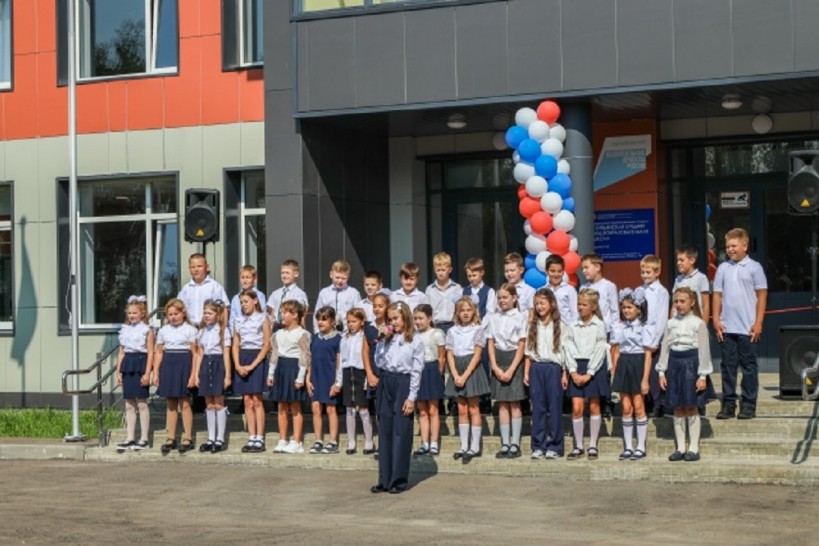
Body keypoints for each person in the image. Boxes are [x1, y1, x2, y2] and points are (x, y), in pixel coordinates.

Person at [712, 228, 768, 420]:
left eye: (734, 246)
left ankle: (748, 404)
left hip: (748, 327)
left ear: (745, 245)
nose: (730, 249)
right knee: (728, 366)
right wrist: (716, 320)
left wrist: (758, 323)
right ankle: (728, 404)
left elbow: (762, 295)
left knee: (749, 367)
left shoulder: (754, 267)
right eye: (727, 246)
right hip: (727, 328)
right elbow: (717, 295)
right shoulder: (722, 268)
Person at [370, 301, 424, 494]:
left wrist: (411, 397)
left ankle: (398, 480)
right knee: (385, 430)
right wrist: (381, 342)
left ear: (405, 318)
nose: (392, 322)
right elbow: (378, 362)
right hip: (386, 381)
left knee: (401, 431)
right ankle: (384, 479)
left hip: (403, 382)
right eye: (390, 319)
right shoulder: (388, 339)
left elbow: (417, 370)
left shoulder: (415, 340)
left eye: (395, 319)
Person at [657, 287, 713, 462]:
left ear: (692, 302)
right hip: (674, 365)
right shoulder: (670, 323)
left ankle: (693, 448)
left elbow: (704, 350)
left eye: (682, 301)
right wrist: (661, 371)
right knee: (677, 406)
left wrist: (702, 375)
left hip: (691, 365)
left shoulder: (698, 323)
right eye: (676, 301)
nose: (679, 305)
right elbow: (665, 348)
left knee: (691, 405)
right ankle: (680, 447)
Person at [524, 288, 571, 460]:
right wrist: (527, 372)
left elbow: (565, 352)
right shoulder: (532, 325)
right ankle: (538, 445)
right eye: (536, 304)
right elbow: (528, 352)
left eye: (542, 303)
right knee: (538, 408)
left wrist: (565, 373)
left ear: (552, 304)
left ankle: (555, 445)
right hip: (537, 368)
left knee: (554, 408)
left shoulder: (561, 326)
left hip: (554, 368)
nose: (539, 307)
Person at [565, 289, 610, 461]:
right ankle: (578, 446)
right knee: (577, 407)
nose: (580, 308)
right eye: (579, 304)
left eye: (584, 305)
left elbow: (600, 348)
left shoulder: (599, 325)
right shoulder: (572, 325)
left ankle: (592, 445)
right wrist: (573, 371)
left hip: (594, 366)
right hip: (577, 365)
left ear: (593, 306)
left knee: (594, 406)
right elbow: (568, 347)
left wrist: (590, 372)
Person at [445, 297, 491, 463]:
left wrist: (465, 376)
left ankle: (475, 446)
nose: (465, 313)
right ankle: (463, 445)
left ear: (474, 312)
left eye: (468, 310)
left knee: (473, 408)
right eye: (462, 310)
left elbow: (477, 355)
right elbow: (449, 353)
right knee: (462, 409)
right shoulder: (452, 331)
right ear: (457, 313)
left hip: (471, 368)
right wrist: (455, 374)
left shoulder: (477, 330)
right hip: (457, 368)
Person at [610, 287, 653, 461]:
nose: (626, 311)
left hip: (638, 363)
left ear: (639, 309)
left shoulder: (644, 327)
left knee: (638, 405)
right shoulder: (619, 327)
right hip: (624, 364)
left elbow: (648, 354)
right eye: (624, 307)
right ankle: (628, 447)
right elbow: (616, 351)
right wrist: (614, 371)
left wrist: (645, 379)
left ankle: (641, 446)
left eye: (630, 307)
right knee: (626, 407)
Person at [485, 284, 527, 459]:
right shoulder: (494, 318)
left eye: (505, 297)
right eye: (500, 298)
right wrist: (494, 366)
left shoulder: (520, 317)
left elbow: (522, 344)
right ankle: (505, 443)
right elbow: (490, 342)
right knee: (502, 403)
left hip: (514, 359)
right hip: (498, 358)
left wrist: (512, 369)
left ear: (514, 298)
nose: (502, 301)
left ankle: (515, 443)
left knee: (514, 402)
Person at [153, 298, 198, 454]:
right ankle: (171, 437)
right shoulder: (163, 331)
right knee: (171, 402)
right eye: (170, 314)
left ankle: (187, 437)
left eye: (175, 314)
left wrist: (193, 375)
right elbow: (159, 352)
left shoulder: (190, 330)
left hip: (184, 364)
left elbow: (195, 353)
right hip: (168, 365)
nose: (173, 317)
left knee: (184, 402)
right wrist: (156, 371)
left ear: (183, 313)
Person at [268, 300, 311, 454]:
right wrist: (271, 373)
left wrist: (300, 378)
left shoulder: (302, 334)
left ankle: (297, 441)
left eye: (285, 312)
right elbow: (274, 355)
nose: (282, 315)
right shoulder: (278, 334)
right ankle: (283, 439)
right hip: (281, 369)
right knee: (281, 406)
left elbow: (304, 357)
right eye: (282, 312)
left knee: (295, 406)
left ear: (295, 315)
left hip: (294, 369)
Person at [231, 289, 271, 453]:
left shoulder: (263, 318)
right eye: (241, 302)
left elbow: (267, 344)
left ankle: (260, 438)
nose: (243, 305)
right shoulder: (238, 320)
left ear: (255, 301)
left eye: (246, 301)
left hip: (257, 358)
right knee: (247, 400)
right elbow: (235, 344)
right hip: (243, 357)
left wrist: (253, 365)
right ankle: (251, 436)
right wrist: (237, 364)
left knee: (257, 400)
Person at [115, 295, 154, 451]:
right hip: (128, 364)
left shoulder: (147, 330)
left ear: (142, 313)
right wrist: (118, 372)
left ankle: (144, 438)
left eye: (134, 313)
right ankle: (130, 437)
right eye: (129, 313)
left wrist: (147, 373)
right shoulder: (125, 330)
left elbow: (150, 352)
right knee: (129, 403)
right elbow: (121, 352)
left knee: (142, 403)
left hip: (140, 362)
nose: (131, 316)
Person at [193, 298, 232, 453]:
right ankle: (211, 437)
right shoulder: (202, 332)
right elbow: (199, 354)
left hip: (218, 363)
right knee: (209, 403)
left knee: (218, 401)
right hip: (206, 364)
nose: (206, 315)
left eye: (210, 313)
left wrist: (227, 375)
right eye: (205, 313)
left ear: (217, 314)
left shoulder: (223, 331)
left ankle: (220, 438)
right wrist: (196, 374)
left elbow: (226, 355)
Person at [306, 306, 342, 454]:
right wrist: (308, 378)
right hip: (316, 377)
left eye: (324, 319)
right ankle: (318, 440)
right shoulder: (315, 338)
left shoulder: (338, 339)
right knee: (315, 408)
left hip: (330, 378)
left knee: (330, 409)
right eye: (318, 319)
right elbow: (311, 359)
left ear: (332, 321)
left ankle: (333, 441)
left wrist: (337, 382)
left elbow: (339, 362)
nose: (320, 322)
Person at [338, 308, 375, 455]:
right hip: (348, 373)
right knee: (350, 409)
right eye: (348, 322)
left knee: (363, 409)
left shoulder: (364, 337)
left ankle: (369, 442)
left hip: (360, 373)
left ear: (362, 321)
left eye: (354, 321)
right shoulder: (344, 338)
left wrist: (367, 379)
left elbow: (367, 358)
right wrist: (339, 381)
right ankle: (351, 442)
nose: (351, 324)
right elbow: (341, 361)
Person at [412, 304, 446, 457]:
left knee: (433, 410)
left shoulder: (437, 334)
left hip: (432, 369)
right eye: (415, 319)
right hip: (418, 370)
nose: (418, 322)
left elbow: (441, 357)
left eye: (421, 318)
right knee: (422, 411)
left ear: (429, 318)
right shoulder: (414, 335)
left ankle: (434, 442)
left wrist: (439, 374)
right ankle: (424, 442)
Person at [640, 255, 670, 417]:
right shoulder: (640, 290)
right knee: (643, 370)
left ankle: (659, 403)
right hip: (642, 335)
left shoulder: (661, 292)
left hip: (654, 336)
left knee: (654, 371)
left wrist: (656, 339)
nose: (645, 275)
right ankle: (647, 401)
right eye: (643, 272)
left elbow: (661, 317)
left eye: (648, 272)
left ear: (657, 272)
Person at [177, 253, 229, 326]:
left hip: (209, 327)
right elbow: (178, 308)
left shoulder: (215, 287)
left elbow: (223, 309)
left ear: (206, 267)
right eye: (193, 267)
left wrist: (223, 328)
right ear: (189, 269)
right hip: (190, 327)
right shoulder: (185, 289)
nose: (196, 269)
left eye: (199, 266)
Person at [314, 260, 362, 332]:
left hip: (347, 333)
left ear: (348, 277)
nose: (340, 281)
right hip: (327, 333)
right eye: (337, 277)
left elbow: (359, 315)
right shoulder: (324, 293)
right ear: (331, 275)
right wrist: (317, 332)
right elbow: (317, 314)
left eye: (343, 278)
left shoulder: (354, 293)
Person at [580, 253, 619, 336]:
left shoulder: (609, 286)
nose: (584, 271)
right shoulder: (583, 287)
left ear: (597, 267)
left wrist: (615, 334)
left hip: (605, 330)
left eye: (586, 267)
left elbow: (614, 311)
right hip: (587, 330)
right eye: (583, 268)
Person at [267, 259, 309, 331]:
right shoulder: (275, 293)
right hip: (276, 327)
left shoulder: (300, 294)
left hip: (292, 327)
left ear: (296, 274)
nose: (284, 275)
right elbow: (272, 313)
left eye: (287, 273)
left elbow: (302, 315)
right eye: (282, 273)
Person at [673, 245, 711, 323]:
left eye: (682, 260)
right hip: (679, 322)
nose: (678, 263)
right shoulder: (678, 279)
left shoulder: (701, 278)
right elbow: (674, 305)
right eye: (677, 260)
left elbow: (706, 305)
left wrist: (703, 326)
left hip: (695, 322)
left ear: (692, 260)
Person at [425, 252, 462, 333]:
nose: (441, 273)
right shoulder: (430, 290)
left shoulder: (457, 288)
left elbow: (459, 308)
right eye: (438, 270)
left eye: (443, 270)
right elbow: (427, 310)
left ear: (450, 270)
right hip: (435, 326)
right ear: (434, 270)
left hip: (452, 326)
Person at [229, 265, 266, 329]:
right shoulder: (235, 298)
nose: (245, 281)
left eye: (248, 278)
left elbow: (263, 314)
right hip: (240, 330)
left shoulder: (259, 295)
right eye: (242, 278)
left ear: (254, 280)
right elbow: (232, 320)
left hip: (256, 330)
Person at [545, 254, 578, 324]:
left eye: (559, 271)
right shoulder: (542, 290)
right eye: (552, 271)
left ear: (563, 272)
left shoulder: (570, 290)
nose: (556, 274)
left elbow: (575, 312)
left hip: (566, 327)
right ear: (546, 271)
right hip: (548, 328)